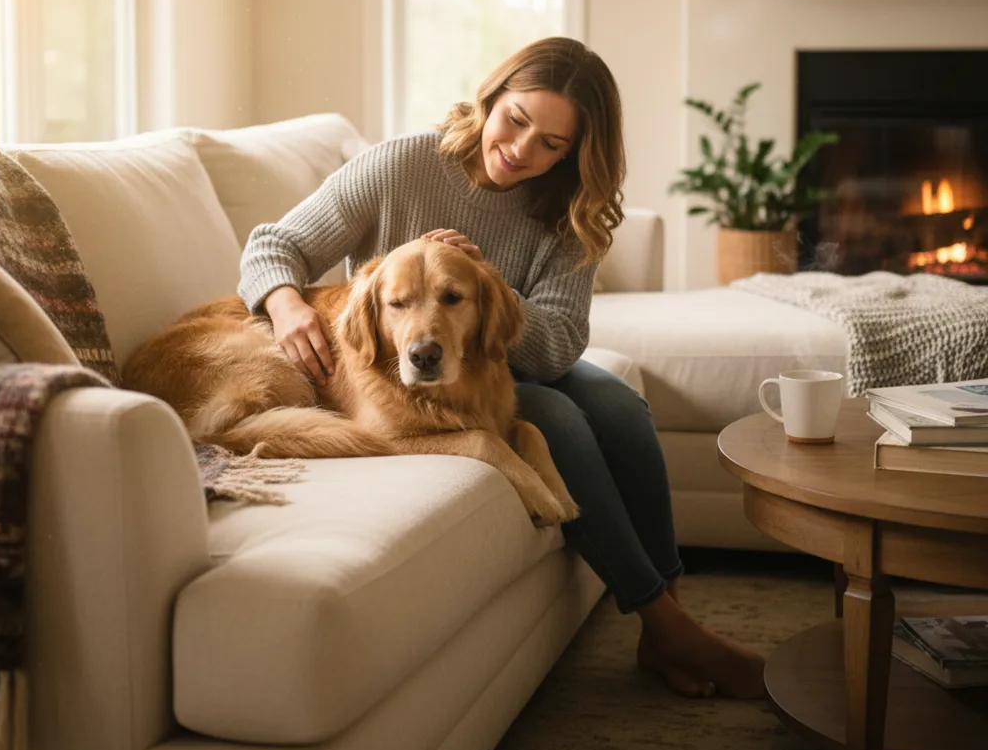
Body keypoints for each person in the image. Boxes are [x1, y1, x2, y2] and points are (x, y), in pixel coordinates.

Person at [238, 36, 766, 699]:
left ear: (574, 153)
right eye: (516, 120)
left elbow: (560, 345)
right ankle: (663, 625)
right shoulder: (402, 165)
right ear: (491, 97)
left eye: (551, 143)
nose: (521, 150)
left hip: (511, 357)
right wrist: (284, 304)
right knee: (564, 422)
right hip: (422, 377)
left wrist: (482, 281)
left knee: (622, 410)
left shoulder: (573, 210)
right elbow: (274, 245)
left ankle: (672, 616)